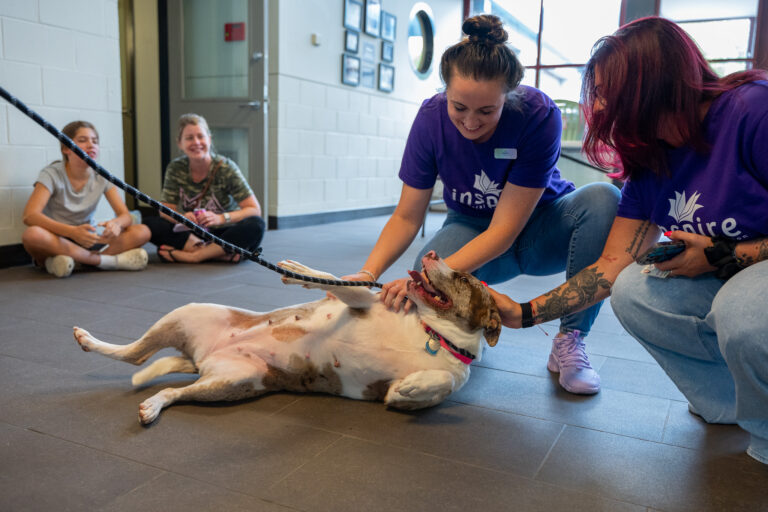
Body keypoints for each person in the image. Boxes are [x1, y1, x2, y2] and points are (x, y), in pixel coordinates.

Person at [490, 17, 768, 465]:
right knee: (634, 290)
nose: (600, 104)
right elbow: (612, 264)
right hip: (727, 272)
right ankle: (733, 404)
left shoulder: (753, 111)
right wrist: (523, 313)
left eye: (607, 91)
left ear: (653, 85)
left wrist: (725, 253)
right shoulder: (653, 157)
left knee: (745, 311)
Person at [344, 15, 620, 395]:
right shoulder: (429, 120)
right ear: (445, 94)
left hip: (543, 228)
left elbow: (505, 232)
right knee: (416, 289)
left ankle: (571, 339)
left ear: (510, 95)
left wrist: (429, 278)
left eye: (487, 111)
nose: (471, 123)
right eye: (459, 107)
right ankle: (462, 332)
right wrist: (367, 272)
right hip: (470, 225)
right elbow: (407, 216)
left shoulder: (538, 115)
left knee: (604, 198)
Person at [22, 120, 151, 278]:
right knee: (32, 235)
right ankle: (103, 262)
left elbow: (125, 215)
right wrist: (73, 232)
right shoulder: (51, 174)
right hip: (59, 238)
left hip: (88, 239)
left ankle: (74, 261)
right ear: (66, 149)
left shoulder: (102, 175)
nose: (91, 145)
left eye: (95, 141)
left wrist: (116, 224)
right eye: (82, 140)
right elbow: (30, 216)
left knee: (142, 231)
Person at [145, 113, 265, 263]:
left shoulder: (226, 167)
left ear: (209, 139)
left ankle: (194, 256)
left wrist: (220, 218)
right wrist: (182, 218)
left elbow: (254, 209)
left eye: (200, 136)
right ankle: (221, 254)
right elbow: (165, 210)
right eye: (189, 138)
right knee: (151, 223)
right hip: (194, 233)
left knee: (256, 225)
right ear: (180, 144)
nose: (196, 142)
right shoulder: (176, 168)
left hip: (224, 232)